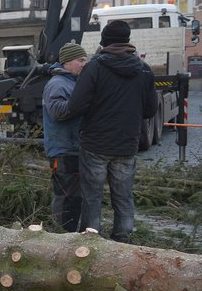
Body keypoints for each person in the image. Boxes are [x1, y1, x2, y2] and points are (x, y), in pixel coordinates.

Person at [63, 20, 156, 243]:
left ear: (104, 40)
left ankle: (90, 245)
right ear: (127, 40)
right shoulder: (143, 69)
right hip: (126, 144)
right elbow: (150, 109)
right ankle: (122, 243)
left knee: (92, 198)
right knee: (124, 197)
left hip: (95, 144)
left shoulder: (94, 67)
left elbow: (75, 106)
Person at [42, 43, 88, 232]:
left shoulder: (72, 82)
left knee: (74, 196)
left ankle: (69, 233)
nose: (85, 64)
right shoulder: (58, 84)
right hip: (63, 150)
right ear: (67, 62)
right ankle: (61, 236)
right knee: (66, 196)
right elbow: (57, 112)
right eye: (81, 60)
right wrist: (81, 102)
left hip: (72, 148)